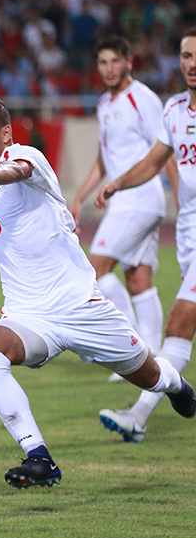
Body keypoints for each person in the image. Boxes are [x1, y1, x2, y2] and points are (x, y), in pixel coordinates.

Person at [0, 96, 195, 489]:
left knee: (149, 375)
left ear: (5, 132)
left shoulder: (26, 158)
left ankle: (177, 386)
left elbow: (14, 172)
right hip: (29, 314)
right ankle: (38, 457)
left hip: (80, 307)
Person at [95, 27, 196, 444]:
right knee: (169, 314)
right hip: (189, 230)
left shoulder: (146, 100)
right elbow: (155, 161)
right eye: (187, 56)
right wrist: (117, 183)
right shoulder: (174, 109)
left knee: (179, 323)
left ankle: (138, 414)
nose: (192, 64)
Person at [69, 36, 169, 395]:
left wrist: (184, 197)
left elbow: (165, 149)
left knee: (96, 269)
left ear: (129, 61)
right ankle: (153, 352)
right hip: (127, 198)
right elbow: (103, 159)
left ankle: (133, 349)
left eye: (115, 61)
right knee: (138, 278)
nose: (109, 68)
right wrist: (78, 197)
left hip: (140, 197)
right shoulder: (104, 103)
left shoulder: (141, 98)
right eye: (103, 63)